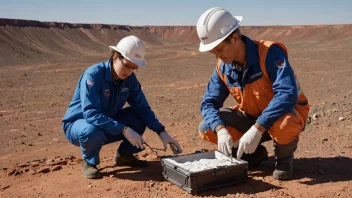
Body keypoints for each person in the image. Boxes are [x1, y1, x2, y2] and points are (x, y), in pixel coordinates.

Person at [196, 7, 310, 180]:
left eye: (219, 49)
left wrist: (257, 129)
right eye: (213, 52)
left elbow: (287, 93)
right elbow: (208, 103)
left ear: (233, 38)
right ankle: (252, 154)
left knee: (286, 124)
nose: (217, 56)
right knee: (207, 127)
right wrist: (221, 131)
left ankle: (284, 159)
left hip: (283, 115)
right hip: (251, 118)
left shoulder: (269, 53)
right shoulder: (223, 66)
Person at [62, 35, 182, 179]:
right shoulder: (94, 75)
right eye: (126, 65)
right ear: (115, 57)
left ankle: (124, 156)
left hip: (106, 122)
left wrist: (161, 131)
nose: (129, 71)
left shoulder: (130, 80)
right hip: (79, 125)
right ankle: (89, 161)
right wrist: (124, 130)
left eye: (134, 68)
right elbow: (90, 114)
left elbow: (143, 107)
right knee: (92, 130)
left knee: (138, 116)